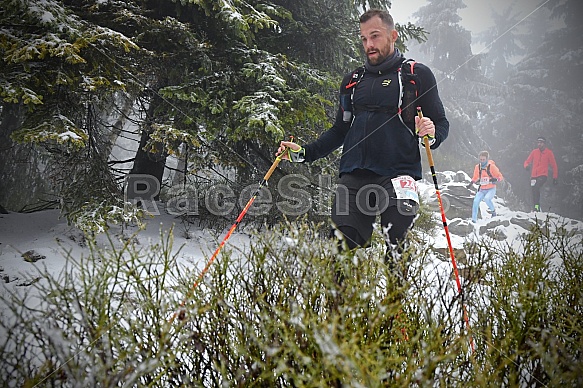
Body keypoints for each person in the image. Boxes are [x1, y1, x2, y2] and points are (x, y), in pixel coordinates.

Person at [277, 8, 449, 276]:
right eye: (364, 38)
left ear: (393, 35)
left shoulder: (416, 75)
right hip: (354, 176)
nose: (369, 44)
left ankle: (395, 314)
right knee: (340, 253)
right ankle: (341, 316)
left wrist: (432, 131)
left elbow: (441, 123)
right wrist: (303, 153)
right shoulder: (353, 81)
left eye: (375, 36)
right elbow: (339, 131)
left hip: (399, 176)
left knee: (397, 250)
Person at [523, 137, 558, 211]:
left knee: (536, 187)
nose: (539, 144)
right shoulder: (534, 152)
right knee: (533, 191)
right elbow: (527, 161)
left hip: (543, 175)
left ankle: (537, 207)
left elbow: (554, 165)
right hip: (533, 176)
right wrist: (526, 166)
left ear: (544, 143)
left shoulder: (549, 153)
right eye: (538, 142)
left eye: (541, 142)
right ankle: (536, 208)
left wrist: (555, 177)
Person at [467, 151, 503, 223]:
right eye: (481, 159)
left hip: (491, 188)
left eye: (483, 159)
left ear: (487, 159)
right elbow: (475, 176)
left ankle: (493, 212)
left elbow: (500, 176)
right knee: (475, 201)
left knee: (487, 199)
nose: (482, 161)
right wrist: (471, 183)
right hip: (482, 189)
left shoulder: (492, 166)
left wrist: (496, 179)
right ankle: (474, 220)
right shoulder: (478, 167)